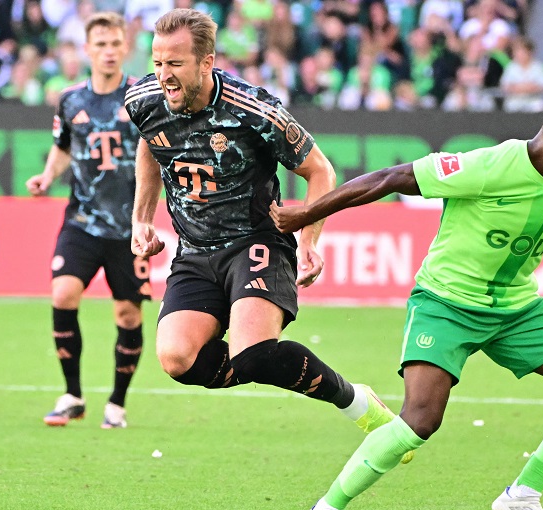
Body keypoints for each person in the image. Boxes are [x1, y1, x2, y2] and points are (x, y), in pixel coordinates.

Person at [270, 83, 543, 510]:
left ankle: (523, 496)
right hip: (447, 303)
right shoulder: (490, 166)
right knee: (421, 419)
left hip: (516, 308)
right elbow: (390, 178)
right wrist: (306, 215)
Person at [122, 8, 411, 453]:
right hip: (195, 250)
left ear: (206, 62)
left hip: (257, 241)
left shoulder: (253, 109)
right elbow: (150, 143)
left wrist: (309, 240)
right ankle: (255, 358)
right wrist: (142, 218)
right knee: (177, 359)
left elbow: (320, 170)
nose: (164, 75)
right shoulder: (143, 100)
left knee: (253, 354)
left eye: (175, 63)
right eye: (158, 63)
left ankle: (356, 402)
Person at [26, 12, 148, 429]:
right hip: (81, 220)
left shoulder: (141, 97)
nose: (109, 51)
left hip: (129, 227)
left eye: (115, 44)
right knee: (63, 294)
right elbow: (63, 146)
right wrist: (48, 176)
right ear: (87, 50)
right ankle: (73, 395)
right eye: (101, 45)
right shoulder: (70, 99)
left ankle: (117, 404)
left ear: (125, 47)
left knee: (128, 315)